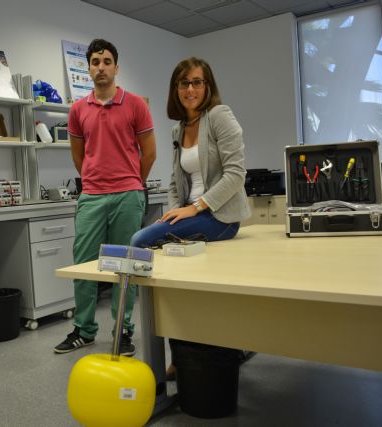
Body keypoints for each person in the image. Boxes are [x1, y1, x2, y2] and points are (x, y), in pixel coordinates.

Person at [130, 57, 250, 378]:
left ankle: (181, 356)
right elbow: (174, 182)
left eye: (197, 82)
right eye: (184, 83)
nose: (190, 89)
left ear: (207, 86)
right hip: (189, 215)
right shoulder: (178, 128)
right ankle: (179, 354)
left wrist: (195, 208)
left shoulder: (220, 117)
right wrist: (173, 213)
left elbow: (237, 174)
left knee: (139, 240)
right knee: (174, 281)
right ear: (176, 89)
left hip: (219, 215)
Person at [54, 39, 157, 356]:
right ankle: (84, 330)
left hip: (128, 195)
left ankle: (123, 330)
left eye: (107, 61)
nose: (101, 66)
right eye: (95, 61)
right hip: (92, 197)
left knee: (125, 266)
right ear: (88, 67)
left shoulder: (136, 104)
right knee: (84, 264)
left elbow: (149, 153)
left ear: (116, 67)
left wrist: (131, 183)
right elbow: (78, 157)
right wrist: (96, 181)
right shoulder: (77, 110)